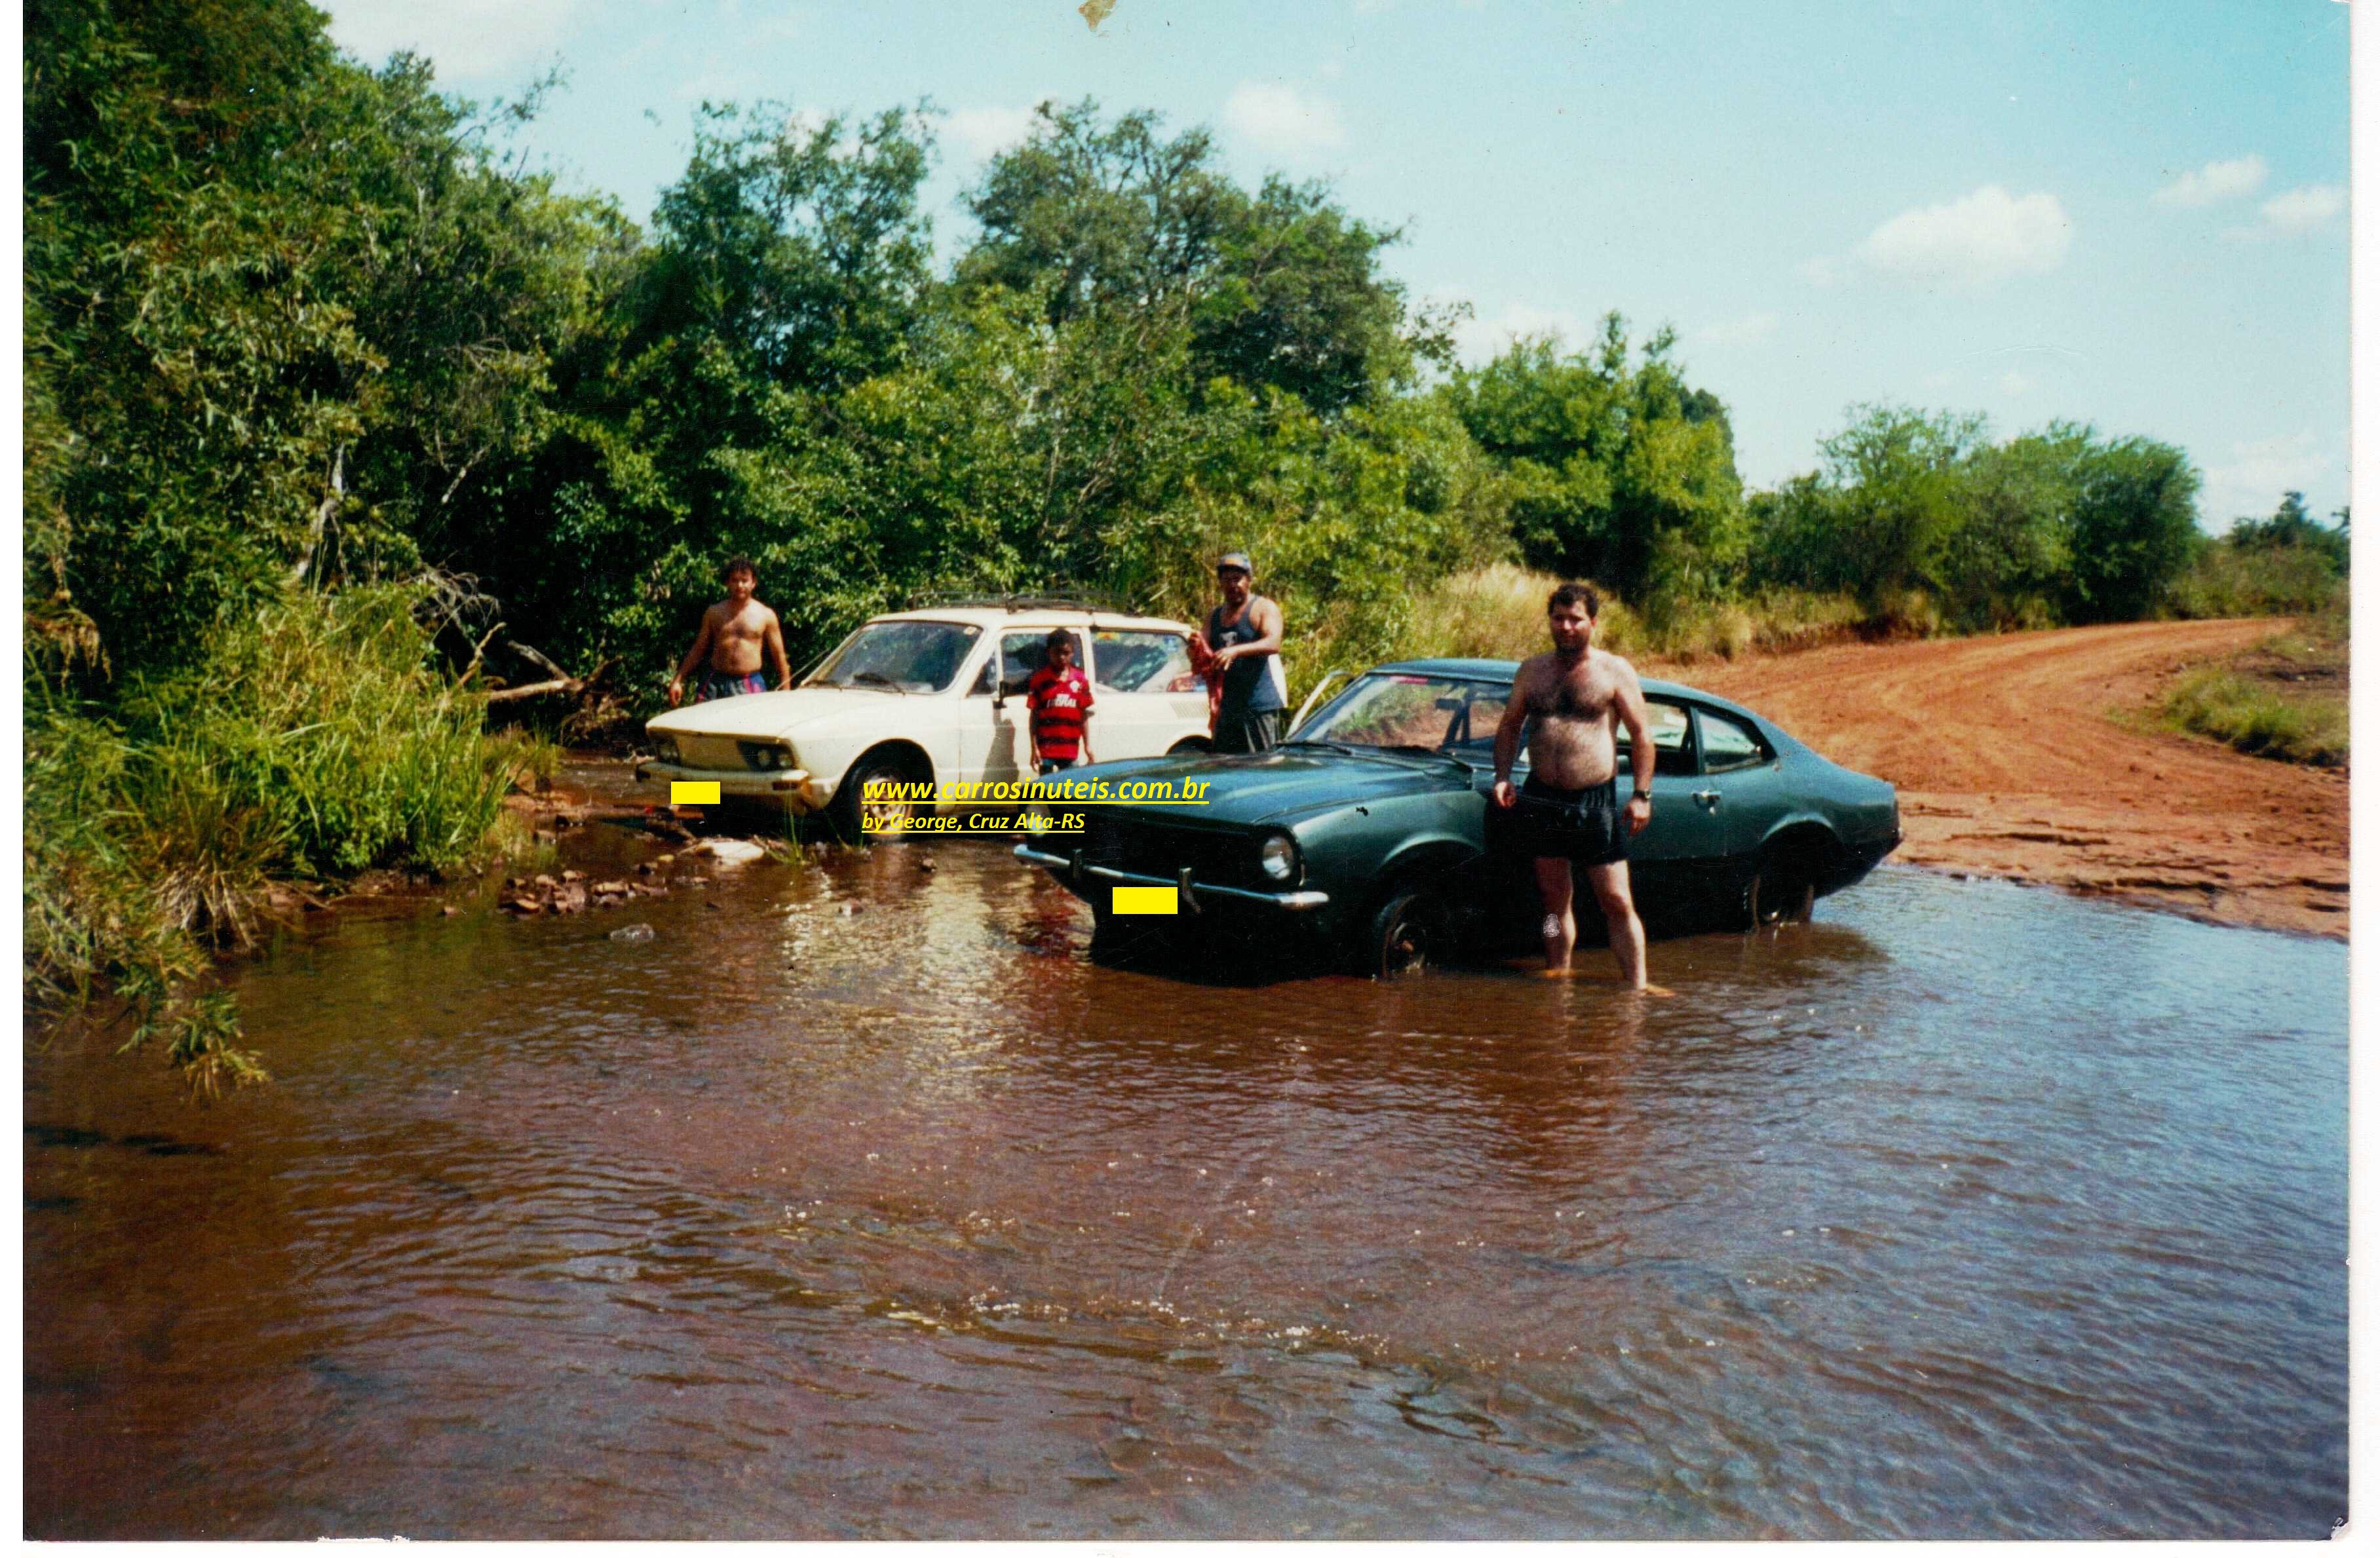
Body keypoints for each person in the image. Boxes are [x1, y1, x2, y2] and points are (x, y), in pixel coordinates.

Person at [1489, 582, 1658, 989]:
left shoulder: (1614, 671)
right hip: (1542, 797)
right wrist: (1503, 777)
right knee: (1552, 904)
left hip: (1594, 801)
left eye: (1575, 619)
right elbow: (1510, 725)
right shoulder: (1532, 671)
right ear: (1550, 621)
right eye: (1558, 618)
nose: (1566, 627)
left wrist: (1641, 795)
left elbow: (1642, 736)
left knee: (1616, 900)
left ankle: (1637, 986)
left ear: (1593, 623)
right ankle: (1557, 973)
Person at [666, 555, 790, 706]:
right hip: (714, 682)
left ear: (753, 583)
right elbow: (698, 649)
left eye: (745, 581)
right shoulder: (714, 613)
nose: (740, 585)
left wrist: (786, 693)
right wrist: (678, 680)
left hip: (748, 683)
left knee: (747, 728)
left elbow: (779, 657)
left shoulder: (765, 615)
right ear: (727, 583)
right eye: (735, 580)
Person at [1205, 551, 1287, 753]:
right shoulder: (1215, 616)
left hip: (1258, 706)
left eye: (1238, 579)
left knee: (1260, 768)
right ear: (1221, 584)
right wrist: (1195, 651)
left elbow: (1273, 643)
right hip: (1227, 708)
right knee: (1224, 767)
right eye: (1227, 580)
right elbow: (1202, 649)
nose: (1233, 585)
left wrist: (1235, 651)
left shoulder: (1263, 608)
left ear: (1249, 580)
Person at [1025, 629, 1095, 776]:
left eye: (1066, 653)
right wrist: (1034, 748)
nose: (1062, 657)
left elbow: (1083, 716)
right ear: (1049, 653)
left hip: (1070, 749)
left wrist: (1087, 746)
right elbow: (1034, 717)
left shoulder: (1080, 680)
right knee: (1047, 790)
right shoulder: (1040, 680)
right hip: (1047, 749)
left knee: (1069, 792)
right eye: (1057, 653)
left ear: (1072, 653)